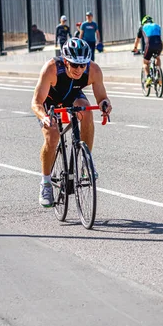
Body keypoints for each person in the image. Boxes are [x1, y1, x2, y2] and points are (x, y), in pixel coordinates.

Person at [31, 38, 112, 208]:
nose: (79, 70)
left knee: (87, 110)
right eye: (75, 65)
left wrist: (105, 104)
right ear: (66, 61)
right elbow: (36, 102)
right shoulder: (51, 69)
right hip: (50, 102)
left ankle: (84, 162)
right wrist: (44, 117)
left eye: (83, 65)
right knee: (52, 136)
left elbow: (102, 98)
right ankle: (45, 183)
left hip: (72, 96)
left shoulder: (93, 70)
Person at [133, 15, 163, 86]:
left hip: (149, 45)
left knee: (145, 62)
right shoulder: (157, 26)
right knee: (157, 57)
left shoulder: (142, 27)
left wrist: (135, 48)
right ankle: (158, 74)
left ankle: (149, 77)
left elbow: (137, 40)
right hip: (159, 44)